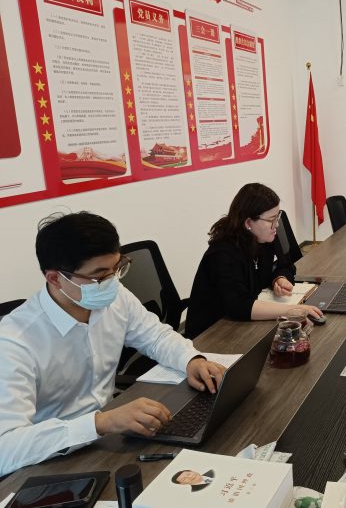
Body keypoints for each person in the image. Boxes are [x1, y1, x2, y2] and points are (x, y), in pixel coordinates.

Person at [0, 212, 226, 477]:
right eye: (99, 277)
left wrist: (191, 359)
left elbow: (155, 336)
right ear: (55, 278)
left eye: (117, 268)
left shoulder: (114, 296)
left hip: (110, 438)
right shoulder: (15, 341)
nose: (112, 282)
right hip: (50, 459)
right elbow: (6, 447)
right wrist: (102, 422)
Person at [186, 183, 322, 339]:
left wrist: (279, 278)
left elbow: (285, 265)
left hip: (245, 324)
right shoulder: (223, 254)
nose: (276, 224)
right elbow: (239, 305)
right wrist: (294, 311)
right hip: (212, 333)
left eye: (277, 217)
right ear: (248, 223)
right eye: (271, 219)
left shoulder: (265, 237)